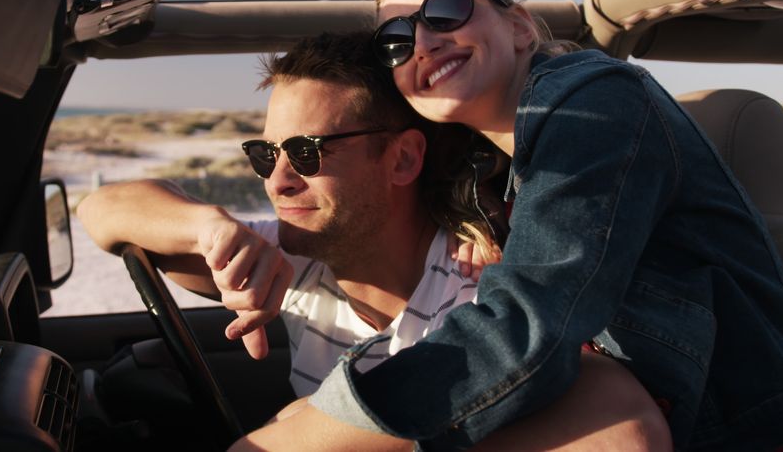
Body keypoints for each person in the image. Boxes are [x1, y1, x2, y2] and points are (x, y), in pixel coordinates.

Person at [242, 0, 783, 451]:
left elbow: (531, 324)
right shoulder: (491, 173)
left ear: (520, 27)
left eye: (447, 8)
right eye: (396, 39)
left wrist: (305, 434)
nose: (423, 40)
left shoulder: (596, 100)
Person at [78, 31, 670, 450]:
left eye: (307, 153)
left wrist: (301, 429)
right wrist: (208, 226)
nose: (279, 180)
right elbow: (101, 209)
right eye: (265, 154)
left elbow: (620, 427)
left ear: (403, 158)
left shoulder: (486, 286)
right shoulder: (293, 260)